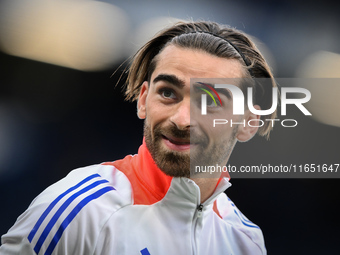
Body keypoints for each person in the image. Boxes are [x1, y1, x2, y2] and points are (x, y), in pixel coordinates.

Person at [0, 20, 276, 255]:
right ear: (143, 100)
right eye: (168, 93)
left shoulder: (245, 241)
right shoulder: (80, 209)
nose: (182, 119)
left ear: (249, 123)